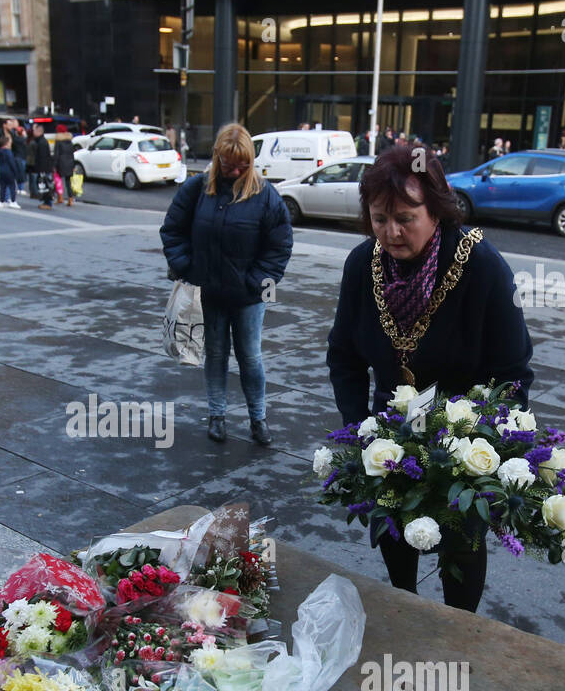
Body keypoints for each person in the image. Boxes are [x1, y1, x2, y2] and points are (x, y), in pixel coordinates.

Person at [326, 143, 535, 613]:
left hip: (462, 441)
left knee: (460, 546)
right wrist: (358, 425)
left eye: (405, 217)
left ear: (436, 209)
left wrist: (489, 451)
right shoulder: (363, 264)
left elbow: (514, 371)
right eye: (379, 218)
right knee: (397, 537)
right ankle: (406, 612)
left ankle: (460, 631)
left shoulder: (480, 266)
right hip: (389, 434)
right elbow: (343, 353)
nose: (391, 232)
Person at [160, 123, 294, 447]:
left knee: (250, 357)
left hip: (248, 297)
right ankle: (217, 415)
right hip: (210, 291)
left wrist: (255, 283)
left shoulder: (265, 195)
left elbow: (280, 246)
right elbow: (172, 230)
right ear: (217, 156)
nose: (235, 170)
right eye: (228, 163)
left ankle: (258, 418)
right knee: (216, 355)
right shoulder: (197, 188)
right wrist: (188, 268)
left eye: (242, 164)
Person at [27, 122, 53, 209]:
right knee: (44, 185)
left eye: (35, 131)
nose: (33, 132)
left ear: (39, 132)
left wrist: (41, 169)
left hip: (43, 168)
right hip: (44, 167)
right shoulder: (41, 141)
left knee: (45, 185)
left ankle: (48, 202)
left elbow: (43, 157)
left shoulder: (42, 142)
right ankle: (46, 201)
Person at [0, 132, 20, 207]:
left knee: (3, 187)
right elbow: (12, 163)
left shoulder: (0, 151)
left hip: (2, 171)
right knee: (12, 186)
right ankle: (13, 201)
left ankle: (1, 201)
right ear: (7, 143)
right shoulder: (9, 152)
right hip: (9, 171)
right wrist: (16, 172)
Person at [54, 124, 76, 206]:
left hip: (60, 163)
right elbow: (72, 154)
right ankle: (70, 199)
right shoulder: (70, 141)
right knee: (68, 181)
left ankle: (60, 198)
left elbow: (56, 154)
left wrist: (54, 165)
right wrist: (73, 165)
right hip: (70, 163)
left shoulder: (58, 141)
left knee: (58, 180)